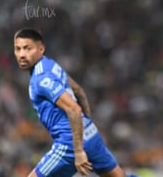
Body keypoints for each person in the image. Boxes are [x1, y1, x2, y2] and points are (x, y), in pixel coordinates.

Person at [14, 28, 131, 177]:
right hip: (90, 134)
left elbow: (74, 109)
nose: (22, 55)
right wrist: (86, 123)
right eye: (18, 49)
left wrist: (78, 150)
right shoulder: (50, 65)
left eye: (27, 48)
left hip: (69, 144)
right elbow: (79, 91)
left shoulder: (41, 79)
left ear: (41, 49)